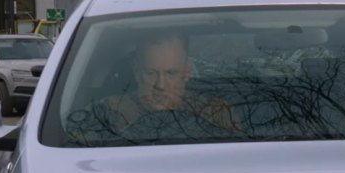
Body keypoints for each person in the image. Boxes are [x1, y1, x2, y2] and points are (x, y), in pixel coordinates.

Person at [68, 31, 238, 143]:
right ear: (136, 70)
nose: (160, 85)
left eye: (171, 73)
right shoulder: (105, 115)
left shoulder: (213, 113)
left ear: (187, 73)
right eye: (151, 73)